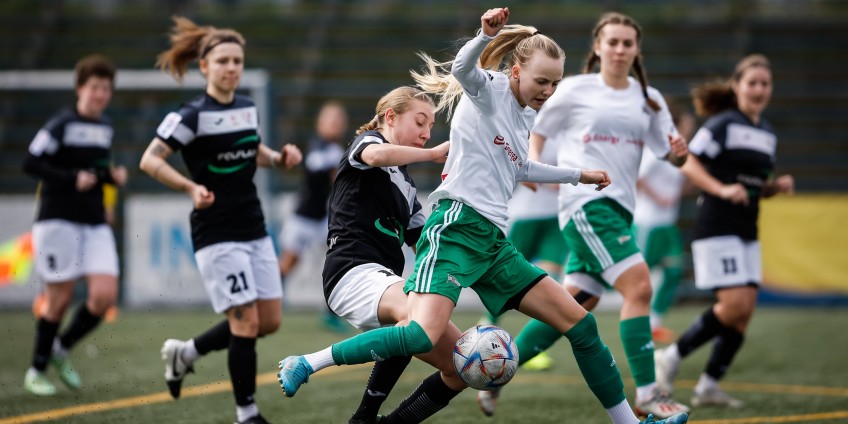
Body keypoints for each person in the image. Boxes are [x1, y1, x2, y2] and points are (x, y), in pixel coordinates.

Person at [278, 8, 687, 424]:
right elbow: (461, 67)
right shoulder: (488, 88)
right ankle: (308, 362)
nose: (548, 91)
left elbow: (522, 168)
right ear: (515, 72)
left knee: (581, 326)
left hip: (494, 243)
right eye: (541, 81)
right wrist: (483, 35)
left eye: (554, 84)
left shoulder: (524, 117)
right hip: (455, 228)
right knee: (420, 334)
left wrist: (578, 175)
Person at [489, 12, 691, 419]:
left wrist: (678, 152)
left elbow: (665, 150)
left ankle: (494, 376)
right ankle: (650, 396)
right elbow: (538, 126)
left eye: (627, 43)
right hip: (586, 205)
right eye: (612, 41)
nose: (619, 49)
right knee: (639, 288)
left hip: (620, 210)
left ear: (636, 51)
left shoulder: (648, 99)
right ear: (598, 47)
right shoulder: (574, 89)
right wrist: (530, 163)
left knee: (572, 307)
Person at [139, 16, 302, 424]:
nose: (232, 68)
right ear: (205, 67)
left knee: (268, 321)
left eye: (237, 61)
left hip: (254, 226)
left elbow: (254, 150)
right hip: (216, 232)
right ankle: (246, 413)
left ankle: (187, 352)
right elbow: (149, 159)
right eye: (224, 60)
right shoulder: (190, 115)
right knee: (245, 322)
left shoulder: (247, 108)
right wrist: (190, 188)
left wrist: (279, 159)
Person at [297, 86, 456, 424]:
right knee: (417, 313)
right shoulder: (368, 143)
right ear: (390, 117)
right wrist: (434, 155)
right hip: (351, 272)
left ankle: (370, 420)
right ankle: (313, 364)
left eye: (431, 127)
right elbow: (376, 156)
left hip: (384, 282)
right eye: (420, 122)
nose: (427, 134)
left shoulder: (408, 187)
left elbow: (425, 244)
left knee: (462, 365)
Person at [654, 54, 794, 409]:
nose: (759, 89)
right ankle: (670, 356)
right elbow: (689, 163)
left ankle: (708, 386)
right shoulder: (723, 124)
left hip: (747, 228)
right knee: (733, 305)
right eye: (752, 83)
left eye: (765, 84)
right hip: (717, 225)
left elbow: (752, 184)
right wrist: (719, 189)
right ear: (737, 87)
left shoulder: (767, 134)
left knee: (743, 312)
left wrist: (774, 187)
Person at [22, 54, 127, 396]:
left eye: (106, 89)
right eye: (95, 87)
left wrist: (111, 178)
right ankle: (36, 370)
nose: (100, 94)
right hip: (58, 219)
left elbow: (97, 170)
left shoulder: (106, 126)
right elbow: (31, 161)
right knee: (60, 299)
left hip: (94, 222)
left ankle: (60, 349)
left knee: (104, 294)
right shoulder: (61, 124)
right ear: (80, 88)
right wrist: (69, 179)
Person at [476, 138, 569, 371]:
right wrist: (556, 178)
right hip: (526, 216)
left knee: (552, 280)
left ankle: (535, 347)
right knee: (505, 277)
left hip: (555, 218)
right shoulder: (535, 127)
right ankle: (487, 328)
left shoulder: (571, 128)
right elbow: (525, 164)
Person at [278, 100, 350, 334]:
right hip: (302, 218)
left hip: (322, 219)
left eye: (338, 119)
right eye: (330, 119)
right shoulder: (318, 147)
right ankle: (266, 304)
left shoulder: (337, 150)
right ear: (320, 123)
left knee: (338, 261)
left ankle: (331, 314)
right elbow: (316, 166)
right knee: (288, 263)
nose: (335, 123)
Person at [633, 100, 696, 343]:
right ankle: (636, 322)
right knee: (638, 277)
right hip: (648, 224)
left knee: (673, 271)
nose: (689, 131)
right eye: (686, 126)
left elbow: (678, 185)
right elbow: (638, 178)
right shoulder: (657, 150)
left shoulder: (679, 154)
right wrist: (659, 197)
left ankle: (654, 322)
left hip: (667, 225)